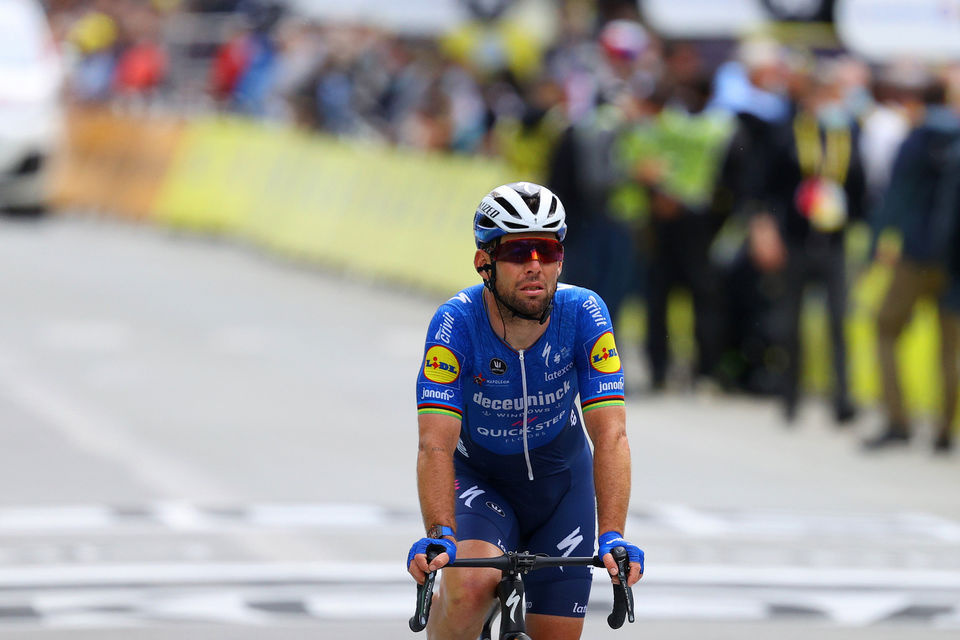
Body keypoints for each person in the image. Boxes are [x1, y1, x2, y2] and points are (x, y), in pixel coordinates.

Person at [407, 182, 643, 639]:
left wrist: (613, 535)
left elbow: (611, 434)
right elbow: (434, 444)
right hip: (482, 482)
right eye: (518, 251)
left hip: (561, 487)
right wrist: (440, 532)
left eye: (547, 249)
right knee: (472, 586)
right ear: (484, 263)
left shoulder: (586, 313)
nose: (535, 266)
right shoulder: (455, 323)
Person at [864, 79, 960, 452]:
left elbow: (896, 198)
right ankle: (944, 430)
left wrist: (875, 245)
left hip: (915, 256)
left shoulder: (916, 141)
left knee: (885, 329)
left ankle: (897, 420)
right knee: (948, 348)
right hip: (954, 261)